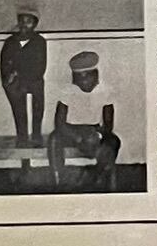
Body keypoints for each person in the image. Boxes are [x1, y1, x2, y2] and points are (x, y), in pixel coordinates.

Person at [49, 51, 120, 191]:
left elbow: (108, 124)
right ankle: (58, 180)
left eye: (88, 77)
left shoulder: (105, 91)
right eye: (79, 79)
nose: (84, 82)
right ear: (74, 79)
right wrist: (78, 138)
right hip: (71, 131)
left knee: (114, 141)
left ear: (96, 75)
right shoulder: (67, 91)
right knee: (53, 139)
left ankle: (97, 175)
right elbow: (59, 123)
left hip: (94, 130)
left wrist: (97, 135)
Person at [0, 9, 47, 148]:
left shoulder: (39, 41)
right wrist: (10, 77)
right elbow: (4, 63)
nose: (24, 25)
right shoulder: (10, 42)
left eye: (29, 22)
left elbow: (40, 66)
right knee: (18, 107)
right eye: (22, 21)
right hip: (16, 82)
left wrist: (20, 73)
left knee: (38, 103)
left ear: (35, 24)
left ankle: (37, 135)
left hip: (33, 79)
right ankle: (22, 137)